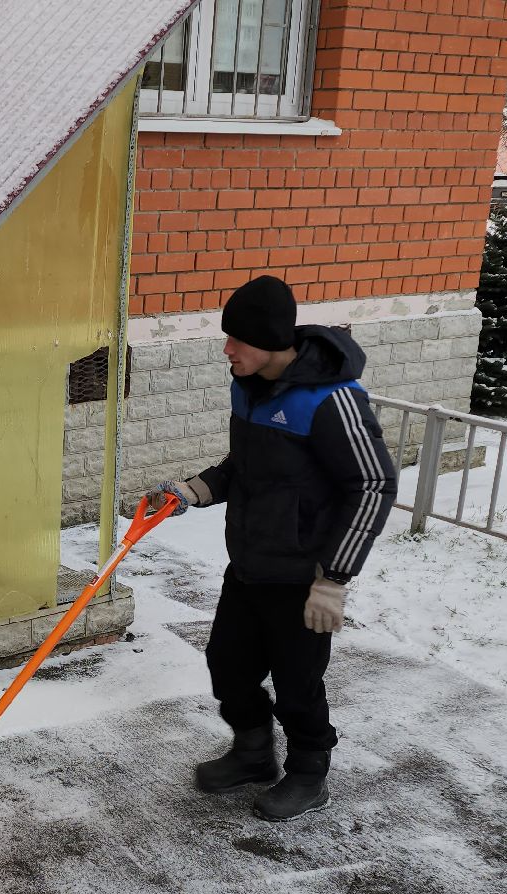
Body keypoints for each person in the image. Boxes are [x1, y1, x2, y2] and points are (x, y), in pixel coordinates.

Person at [149, 275, 398, 821]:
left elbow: (375, 484)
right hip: (250, 566)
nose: (227, 349)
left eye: (236, 339)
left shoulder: (332, 400)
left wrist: (333, 579)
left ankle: (309, 773)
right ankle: (254, 753)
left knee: (297, 686)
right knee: (228, 667)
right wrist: (194, 491)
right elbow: (247, 467)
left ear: (269, 341)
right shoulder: (250, 387)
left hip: (304, 579)